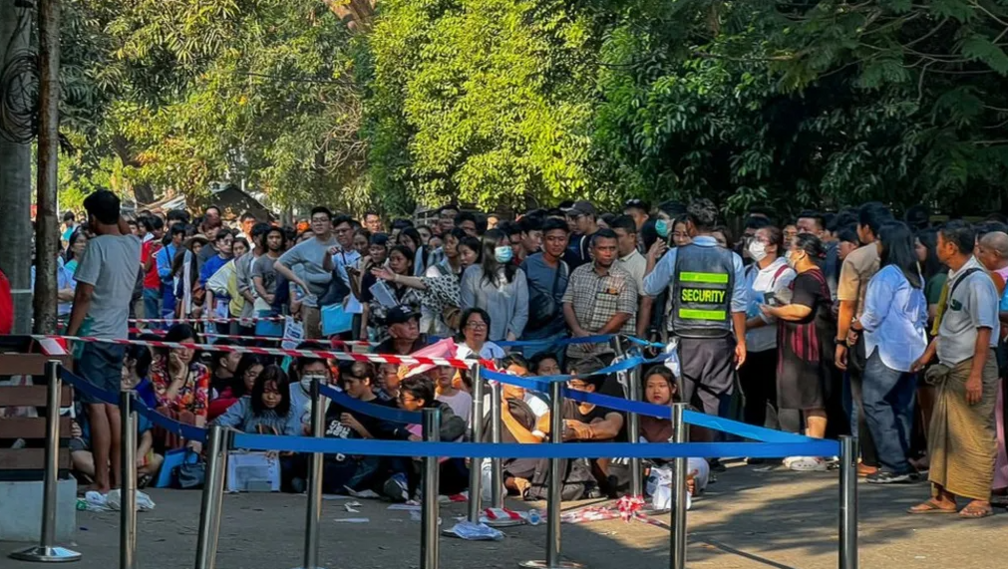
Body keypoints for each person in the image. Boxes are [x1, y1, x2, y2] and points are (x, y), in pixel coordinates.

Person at [909, 221, 1000, 519]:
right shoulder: (954, 276)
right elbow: (948, 325)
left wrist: (975, 375)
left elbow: (984, 330)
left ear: (950, 246)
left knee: (975, 434)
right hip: (950, 367)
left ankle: (979, 497)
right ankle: (943, 496)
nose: (935, 248)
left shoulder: (978, 281)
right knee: (943, 434)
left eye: (938, 242)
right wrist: (927, 356)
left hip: (971, 367)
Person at [66, 190, 141, 495]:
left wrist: (70, 336)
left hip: (94, 335)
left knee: (96, 408)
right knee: (112, 408)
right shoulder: (133, 244)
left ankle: (101, 480)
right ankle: (118, 479)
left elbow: (83, 295)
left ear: (92, 218)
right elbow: (121, 227)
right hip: (119, 335)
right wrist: (109, 212)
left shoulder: (96, 247)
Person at [643, 199, 747, 418]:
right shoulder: (733, 259)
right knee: (715, 405)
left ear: (689, 224)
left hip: (683, 342)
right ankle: (712, 450)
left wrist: (651, 259)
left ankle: (679, 450)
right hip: (720, 342)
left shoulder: (675, 256)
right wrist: (741, 342)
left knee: (679, 401)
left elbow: (649, 288)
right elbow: (738, 306)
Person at [849, 222, 928, 483]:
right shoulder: (914, 274)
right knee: (901, 405)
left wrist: (854, 325)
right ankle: (902, 459)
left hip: (889, 349)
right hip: (913, 347)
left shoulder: (887, 275)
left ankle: (893, 463)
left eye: (880, 241)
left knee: (874, 401)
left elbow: (873, 315)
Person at [759, 233, 835, 471]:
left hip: (809, 348)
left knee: (814, 400)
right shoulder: (808, 277)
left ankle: (816, 453)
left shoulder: (808, 278)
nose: (788, 254)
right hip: (803, 348)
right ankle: (807, 449)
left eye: (791, 249)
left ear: (802, 252)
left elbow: (801, 310)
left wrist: (774, 310)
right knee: (806, 400)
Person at [836, 202, 893, 477]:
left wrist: (841, 341)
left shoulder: (857, 258)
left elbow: (847, 305)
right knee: (892, 399)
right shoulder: (900, 253)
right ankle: (894, 458)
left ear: (866, 228)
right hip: (897, 337)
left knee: (862, 400)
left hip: (861, 333)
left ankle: (867, 459)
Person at [740, 224, 795, 429]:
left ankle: (784, 442)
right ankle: (755, 445)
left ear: (773, 247)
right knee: (752, 398)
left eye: (760, 239)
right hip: (747, 346)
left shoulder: (784, 273)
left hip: (771, 347)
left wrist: (744, 325)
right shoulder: (748, 271)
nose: (753, 243)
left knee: (774, 397)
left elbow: (772, 313)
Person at [563, 229, 638, 372]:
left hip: (608, 350)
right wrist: (578, 331)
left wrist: (598, 337)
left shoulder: (625, 278)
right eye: (602, 248)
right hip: (577, 347)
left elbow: (624, 313)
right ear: (592, 250)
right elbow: (567, 303)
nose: (608, 253)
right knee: (573, 389)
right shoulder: (579, 272)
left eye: (612, 248)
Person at [385, 376, 469, 500]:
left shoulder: (438, 408)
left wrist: (429, 438)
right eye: (399, 395)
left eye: (403, 397)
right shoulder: (393, 406)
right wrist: (407, 434)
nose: (399, 400)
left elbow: (456, 425)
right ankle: (401, 483)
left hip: (433, 463)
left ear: (420, 402)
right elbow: (383, 425)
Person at [639, 366, 710, 509]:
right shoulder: (638, 414)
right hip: (655, 467)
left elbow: (704, 448)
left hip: (685, 463)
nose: (656, 391)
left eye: (662, 386)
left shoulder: (688, 412)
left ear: (673, 388)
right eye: (650, 386)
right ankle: (673, 486)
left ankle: (682, 484)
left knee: (698, 465)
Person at [321, 362, 392, 494]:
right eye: (344, 382)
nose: (347, 387)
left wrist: (359, 428)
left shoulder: (381, 407)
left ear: (366, 381)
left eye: (351, 382)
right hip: (334, 454)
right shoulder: (340, 400)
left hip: (361, 462)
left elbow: (383, 444)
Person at [275, 207, 337, 338]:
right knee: (313, 346)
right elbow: (279, 264)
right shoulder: (303, 247)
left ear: (330, 223)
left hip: (338, 303)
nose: (319, 224)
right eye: (315, 221)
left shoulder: (340, 242)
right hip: (312, 303)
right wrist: (299, 281)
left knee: (337, 347)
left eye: (323, 220)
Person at [148, 324, 210, 452]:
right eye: (181, 347)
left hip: (188, 426)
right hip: (161, 425)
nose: (185, 353)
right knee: (165, 413)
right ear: (170, 347)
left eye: (190, 348)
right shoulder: (156, 367)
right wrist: (181, 373)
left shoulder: (200, 371)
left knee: (187, 416)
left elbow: (201, 408)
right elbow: (163, 403)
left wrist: (196, 437)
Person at [460, 229, 529, 342]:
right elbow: (467, 309)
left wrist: (508, 343)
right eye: (501, 245)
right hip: (478, 340)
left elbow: (522, 311)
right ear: (489, 248)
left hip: (508, 340)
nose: (507, 248)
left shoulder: (518, 274)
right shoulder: (472, 273)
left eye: (508, 245)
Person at [521, 218, 571, 358]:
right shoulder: (529, 264)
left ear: (567, 240)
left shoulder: (565, 267)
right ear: (543, 239)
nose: (556, 244)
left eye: (561, 239)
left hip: (559, 335)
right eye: (551, 239)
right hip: (533, 336)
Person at [211, 364, 301, 436]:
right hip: (243, 454)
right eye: (266, 391)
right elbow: (219, 424)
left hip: (278, 457)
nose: (270, 397)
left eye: (276, 393)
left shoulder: (291, 410)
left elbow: (293, 444)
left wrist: (279, 449)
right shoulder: (245, 404)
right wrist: (245, 438)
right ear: (259, 390)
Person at [359, 245, 423, 341]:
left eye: (399, 259)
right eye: (392, 259)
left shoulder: (417, 284)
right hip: (386, 335)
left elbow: (421, 311)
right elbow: (375, 310)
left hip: (413, 336)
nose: (394, 263)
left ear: (409, 262)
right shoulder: (381, 285)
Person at [252, 225, 286, 316]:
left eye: (278, 237)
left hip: (287, 301)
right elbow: (257, 284)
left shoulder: (289, 258)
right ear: (266, 241)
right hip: (266, 301)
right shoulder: (260, 262)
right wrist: (266, 296)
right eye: (271, 237)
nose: (274, 240)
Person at [140, 217, 165, 319]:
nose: (155, 232)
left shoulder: (169, 243)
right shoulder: (146, 245)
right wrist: (151, 252)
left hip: (164, 284)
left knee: (164, 317)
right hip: (149, 285)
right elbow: (145, 268)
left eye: (157, 229)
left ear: (162, 228)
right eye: (152, 230)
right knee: (151, 319)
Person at [563, 200, 599, 269]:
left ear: (590, 218)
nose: (573, 223)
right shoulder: (583, 239)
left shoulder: (606, 237)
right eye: (572, 219)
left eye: (577, 218)